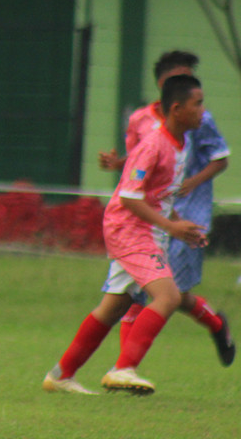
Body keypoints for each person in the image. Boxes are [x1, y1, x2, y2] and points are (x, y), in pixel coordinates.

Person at [43, 74, 209, 395]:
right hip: (129, 227)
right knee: (169, 296)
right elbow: (130, 197)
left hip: (145, 229)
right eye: (198, 103)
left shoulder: (182, 144)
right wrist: (172, 227)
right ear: (177, 109)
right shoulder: (154, 144)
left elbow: (159, 194)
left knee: (114, 306)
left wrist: (179, 226)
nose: (203, 110)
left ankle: (61, 375)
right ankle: (123, 369)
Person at [98, 51, 233, 366]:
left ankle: (214, 323)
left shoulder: (202, 118)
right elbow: (137, 168)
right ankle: (124, 367)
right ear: (163, 85)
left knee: (172, 291)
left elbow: (220, 158)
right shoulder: (141, 120)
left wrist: (192, 183)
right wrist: (117, 163)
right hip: (146, 216)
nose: (190, 91)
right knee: (147, 290)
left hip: (187, 213)